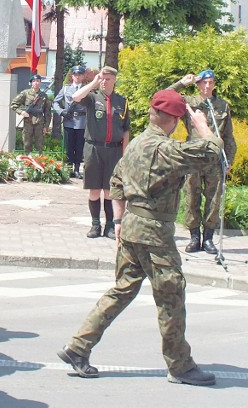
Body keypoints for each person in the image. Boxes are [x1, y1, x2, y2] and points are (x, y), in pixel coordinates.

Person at [58, 89, 221, 387]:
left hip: (133, 225)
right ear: (173, 119)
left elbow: (116, 182)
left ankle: (78, 347)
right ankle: (180, 365)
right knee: (171, 295)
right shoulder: (164, 149)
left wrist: (119, 220)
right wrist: (200, 125)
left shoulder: (135, 145)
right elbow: (212, 152)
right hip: (154, 232)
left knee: (121, 290)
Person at [168, 70, 236, 254]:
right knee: (191, 197)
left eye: (211, 82)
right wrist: (183, 82)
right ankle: (194, 238)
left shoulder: (222, 105)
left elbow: (228, 136)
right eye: (204, 83)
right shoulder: (189, 103)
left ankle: (208, 238)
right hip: (194, 158)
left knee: (214, 200)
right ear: (198, 85)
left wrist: (229, 160)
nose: (208, 86)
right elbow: (165, 97)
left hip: (214, 159)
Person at [72, 66, 129, 239]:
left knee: (110, 191)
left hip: (114, 150)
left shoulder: (122, 101)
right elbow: (75, 97)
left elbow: (126, 129)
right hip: (94, 149)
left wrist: (125, 153)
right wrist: (93, 83)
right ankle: (95, 225)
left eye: (108, 79)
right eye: (102, 79)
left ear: (115, 80)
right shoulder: (92, 97)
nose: (104, 82)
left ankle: (110, 226)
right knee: (94, 190)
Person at [53, 66, 87, 178]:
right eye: (75, 75)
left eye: (80, 75)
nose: (77, 77)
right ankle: (68, 168)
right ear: (72, 76)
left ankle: (77, 169)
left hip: (82, 121)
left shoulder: (86, 89)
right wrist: (62, 112)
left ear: (83, 76)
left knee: (79, 146)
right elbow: (56, 102)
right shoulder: (66, 89)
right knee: (69, 146)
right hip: (69, 121)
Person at [10, 74, 51, 155]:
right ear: (31, 83)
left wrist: (46, 126)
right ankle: (27, 161)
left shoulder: (44, 96)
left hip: (40, 123)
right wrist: (22, 112)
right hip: (28, 123)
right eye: (34, 81)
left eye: (38, 81)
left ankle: (39, 162)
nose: (36, 83)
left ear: (40, 83)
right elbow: (13, 105)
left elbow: (47, 112)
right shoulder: (25, 93)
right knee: (27, 144)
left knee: (40, 145)